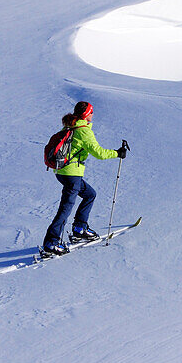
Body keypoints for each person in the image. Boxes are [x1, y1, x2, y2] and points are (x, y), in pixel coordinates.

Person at [42, 101, 128, 256]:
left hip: (62, 172)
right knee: (65, 209)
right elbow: (99, 153)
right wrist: (117, 153)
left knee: (90, 194)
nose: (93, 115)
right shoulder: (83, 131)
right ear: (87, 114)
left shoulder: (70, 126)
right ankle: (51, 243)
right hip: (71, 173)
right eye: (91, 112)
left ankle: (79, 228)